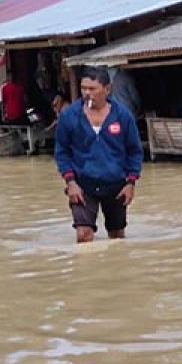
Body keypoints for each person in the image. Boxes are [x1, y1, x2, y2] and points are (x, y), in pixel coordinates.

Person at [55, 66, 143, 244]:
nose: (87, 93)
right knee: (83, 236)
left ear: (107, 89)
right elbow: (62, 152)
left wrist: (131, 183)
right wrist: (70, 182)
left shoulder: (123, 115)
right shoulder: (69, 116)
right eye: (83, 88)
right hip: (82, 185)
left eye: (92, 89)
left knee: (117, 238)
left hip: (116, 185)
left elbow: (134, 151)